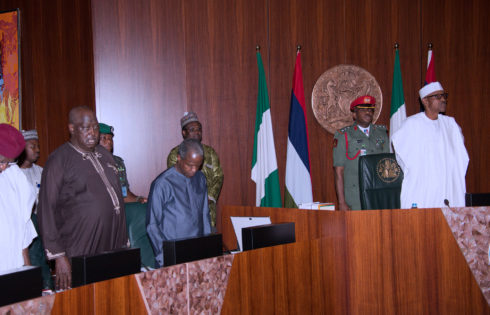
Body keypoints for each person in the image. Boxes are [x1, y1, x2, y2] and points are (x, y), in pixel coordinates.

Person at [38, 106, 128, 290]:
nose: (93, 133)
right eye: (86, 128)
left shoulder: (105, 156)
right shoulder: (59, 160)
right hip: (80, 247)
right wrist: (59, 256)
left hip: (113, 244)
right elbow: (46, 210)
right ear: (72, 128)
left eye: (95, 127)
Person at [391, 82, 469, 208]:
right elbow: (400, 150)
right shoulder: (411, 124)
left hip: (448, 187)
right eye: (437, 97)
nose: (443, 99)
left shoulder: (451, 124)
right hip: (423, 190)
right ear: (425, 101)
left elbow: (461, 156)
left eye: (444, 96)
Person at [148, 138, 212, 267]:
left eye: (198, 166)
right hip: (172, 257)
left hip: (197, 255)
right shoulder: (162, 184)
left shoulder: (200, 179)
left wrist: (207, 250)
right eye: (189, 165)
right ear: (178, 158)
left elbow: (205, 214)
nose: (194, 170)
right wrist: (165, 258)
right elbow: (152, 225)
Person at [167, 112, 223, 229]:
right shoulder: (175, 153)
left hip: (208, 211)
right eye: (192, 129)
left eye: (199, 129)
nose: (197, 132)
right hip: (185, 212)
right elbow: (174, 181)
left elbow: (218, 176)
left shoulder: (210, 152)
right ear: (184, 132)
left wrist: (209, 197)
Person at [333, 95, 389, 210]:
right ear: (354, 114)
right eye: (363, 109)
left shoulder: (381, 133)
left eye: (370, 109)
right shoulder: (344, 135)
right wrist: (342, 202)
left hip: (378, 195)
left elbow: (387, 164)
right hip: (355, 197)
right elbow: (339, 172)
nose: (368, 112)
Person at [18, 129, 54, 290]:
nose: (37, 150)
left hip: (43, 227)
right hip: (24, 230)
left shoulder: (41, 171)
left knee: (44, 269)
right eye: (32, 146)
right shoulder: (13, 174)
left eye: (38, 146)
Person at [0, 124, 37, 272]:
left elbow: (24, 226)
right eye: (2, 161)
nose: (4, 168)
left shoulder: (14, 176)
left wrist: (26, 269)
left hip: (11, 264)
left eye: (9, 163)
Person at [98, 123, 147, 203]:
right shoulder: (87, 163)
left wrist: (138, 199)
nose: (109, 141)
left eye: (110, 138)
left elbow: (124, 194)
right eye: (103, 138)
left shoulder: (117, 162)